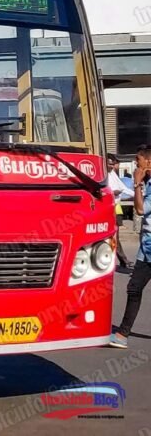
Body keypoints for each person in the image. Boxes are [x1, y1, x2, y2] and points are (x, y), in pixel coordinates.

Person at [109, 146, 151, 348]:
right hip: (146, 248)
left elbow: (141, 209)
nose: (136, 163)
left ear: (148, 162)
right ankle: (122, 334)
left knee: (135, 289)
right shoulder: (147, 182)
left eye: (138, 160)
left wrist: (136, 184)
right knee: (134, 288)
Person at [108, 154, 134, 269]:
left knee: (115, 236)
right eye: (110, 163)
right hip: (107, 208)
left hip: (116, 207)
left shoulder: (113, 174)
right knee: (113, 237)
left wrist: (137, 195)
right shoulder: (103, 175)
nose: (112, 166)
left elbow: (123, 188)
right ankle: (122, 260)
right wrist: (113, 192)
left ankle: (122, 260)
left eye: (113, 164)